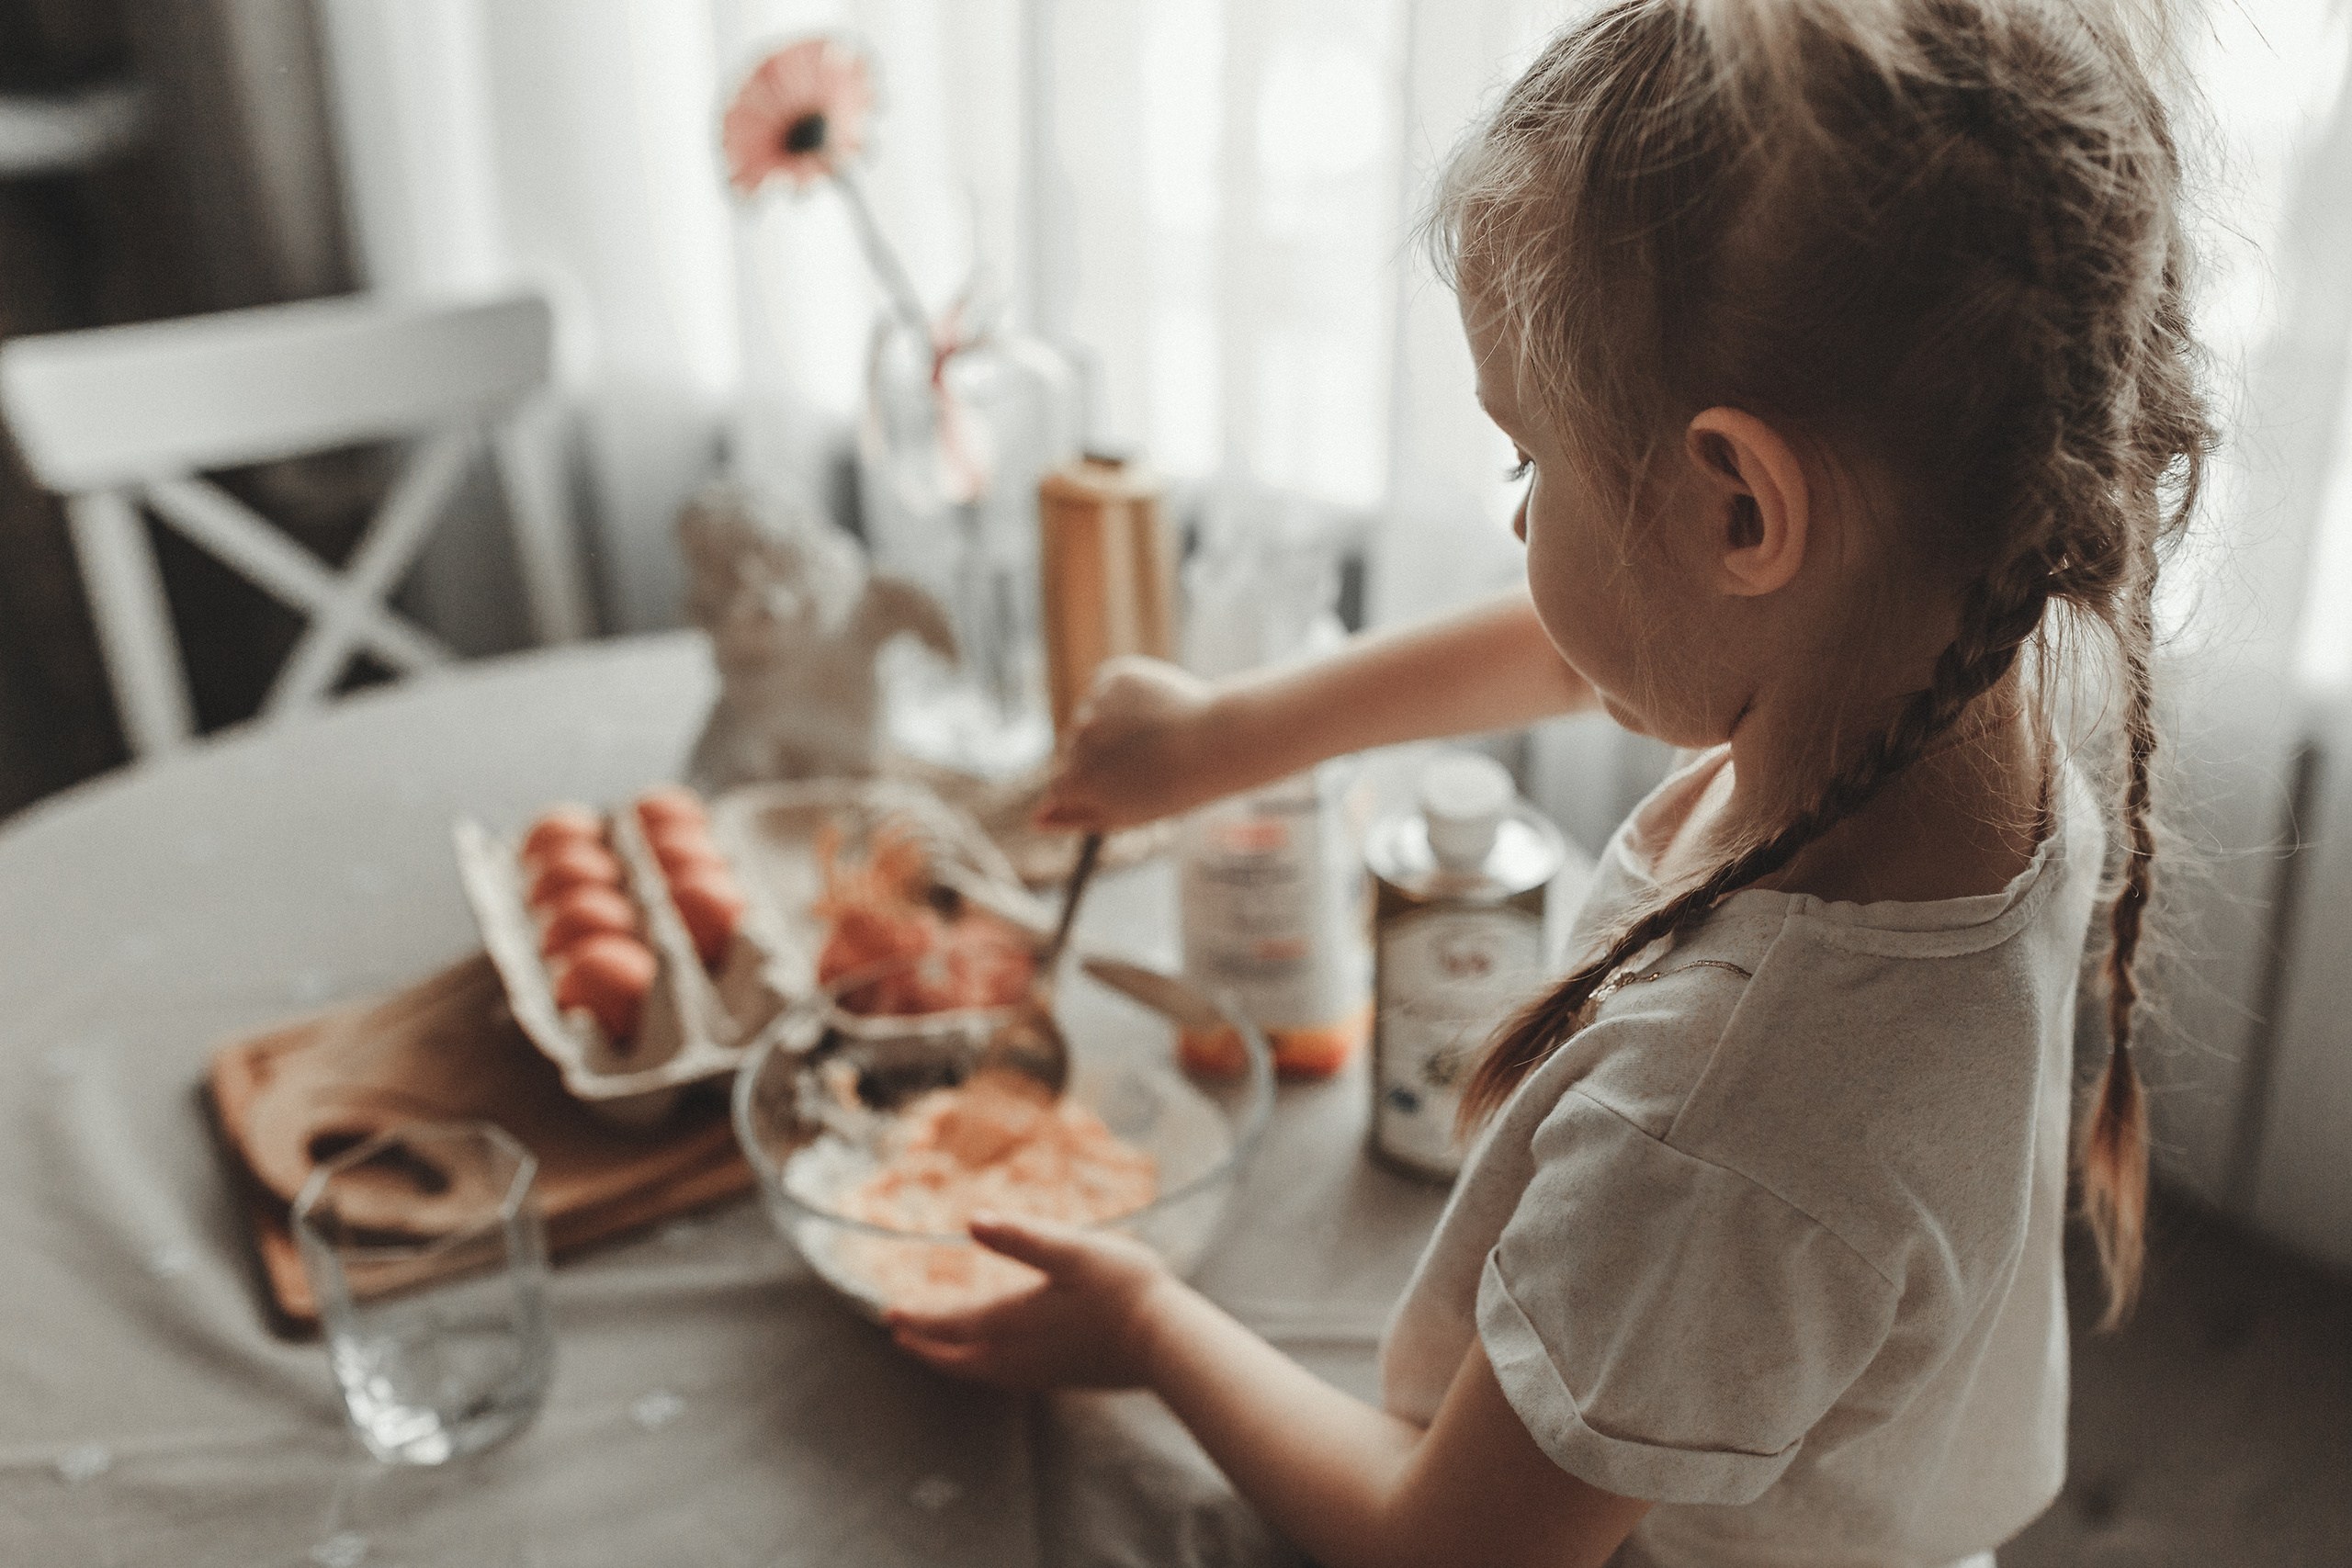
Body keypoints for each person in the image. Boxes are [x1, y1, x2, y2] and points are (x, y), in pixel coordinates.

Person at [887, 2, 2212, 1563]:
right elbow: (1601, 643)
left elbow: (1441, 1549)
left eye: (1529, 463)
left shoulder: (1715, 1135)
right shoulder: (1960, 688)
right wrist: (1224, 737)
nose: (1521, 530)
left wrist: (1146, 1327)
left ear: (1739, 511)